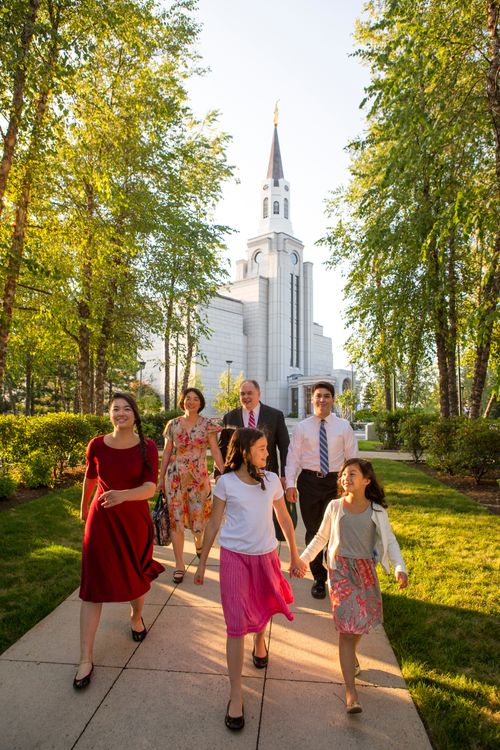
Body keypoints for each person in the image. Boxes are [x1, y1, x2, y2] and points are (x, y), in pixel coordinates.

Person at [194, 428, 306, 732]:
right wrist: (203, 562)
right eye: (261, 448)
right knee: (234, 625)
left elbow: (284, 518)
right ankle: (235, 695)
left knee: (262, 606)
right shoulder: (226, 482)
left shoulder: (271, 481)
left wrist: (295, 556)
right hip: (233, 558)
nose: (267, 453)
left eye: (266, 448)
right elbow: (214, 521)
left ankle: (260, 640)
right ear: (245, 450)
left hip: (266, 555)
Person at [300, 458, 408, 714]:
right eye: (344, 475)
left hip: (365, 572)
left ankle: (351, 658)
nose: (346, 478)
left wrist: (399, 567)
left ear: (367, 480)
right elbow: (321, 537)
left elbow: (389, 541)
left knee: (359, 624)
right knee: (346, 628)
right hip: (340, 572)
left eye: (352, 474)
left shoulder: (377, 511)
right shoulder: (335, 506)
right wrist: (303, 561)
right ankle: (351, 693)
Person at [74, 392, 164, 690]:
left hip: (134, 521)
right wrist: (84, 506)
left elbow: (150, 488)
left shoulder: (147, 447)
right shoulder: (97, 444)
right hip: (101, 523)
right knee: (93, 587)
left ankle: (136, 616)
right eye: (115, 409)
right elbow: (89, 476)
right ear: (109, 414)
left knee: (135, 577)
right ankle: (85, 657)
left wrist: (123, 495)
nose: (121, 413)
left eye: (126, 409)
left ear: (135, 415)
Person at [285, 381, 358, 600]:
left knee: (336, 531)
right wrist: (290, 483)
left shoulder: (343, 426)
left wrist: (353, 486)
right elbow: (293, 458)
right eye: (318, 396)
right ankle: (318, 577)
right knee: (313, 531)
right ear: (312, 398)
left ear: (333, 399)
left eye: (327, 396)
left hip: (336, 483)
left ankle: (335, 574)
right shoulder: (302, 427)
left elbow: (353, 459)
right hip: (309, 482)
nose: (322, 400)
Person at [158, 387, 225, 583]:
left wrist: (224, 473)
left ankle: (198, 543)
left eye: (196, 399)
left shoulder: (208, 425)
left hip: (199, 480)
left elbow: (215, 450)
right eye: (188, 398)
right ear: (182, 401)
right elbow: (168, 452)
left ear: (201, 403)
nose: (191, 402)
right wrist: (161, 479)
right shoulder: (173, 424)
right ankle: (179, 564)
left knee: (199, 521)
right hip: (175, 479)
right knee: (175, 520)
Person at [218, 379, 294, 538]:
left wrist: (286, 476)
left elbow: (285, 447)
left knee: (269, 517)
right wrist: (218, 473)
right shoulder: (229, 417)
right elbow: (223, 449)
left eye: (249, 393)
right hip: (238, 475)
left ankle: (266, 546)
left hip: (267, 474)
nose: (246, 397)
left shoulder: (275, 415)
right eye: (242, 394)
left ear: (259, 394)